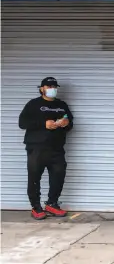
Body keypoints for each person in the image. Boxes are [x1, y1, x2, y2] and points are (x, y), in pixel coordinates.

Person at [18, 77, 74, 220]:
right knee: (34, 177)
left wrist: (66, 123)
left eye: (54, 86)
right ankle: (36, 207)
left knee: (58, 175)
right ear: (42, 88)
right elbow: (22, 122)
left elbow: (70, 124)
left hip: (56, 148)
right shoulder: (33, 104)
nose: (52, 89)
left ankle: (52, 204)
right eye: (49, 86)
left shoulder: (62, 105)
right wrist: (44, 124)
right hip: (36, 147)